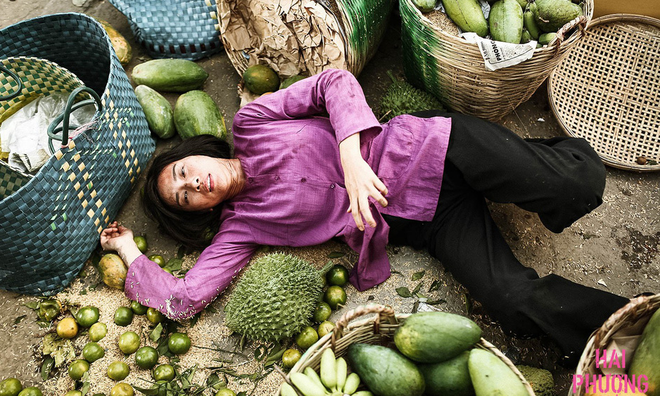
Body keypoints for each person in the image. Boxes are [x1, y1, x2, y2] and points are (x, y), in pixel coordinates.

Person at [101, 68, 629, 364]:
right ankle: (631, 332)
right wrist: (129, 252)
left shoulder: (252, 122)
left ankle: (535, 157)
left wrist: (352, 155)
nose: (194, 183)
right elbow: (183, 299)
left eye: (185, 171)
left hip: (428, 146)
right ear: (201, 212)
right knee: (513, 301)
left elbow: (332, 82)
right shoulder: (243, 227)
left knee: (573, 182)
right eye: (187, 197)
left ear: (196, 151)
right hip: (426, 220)